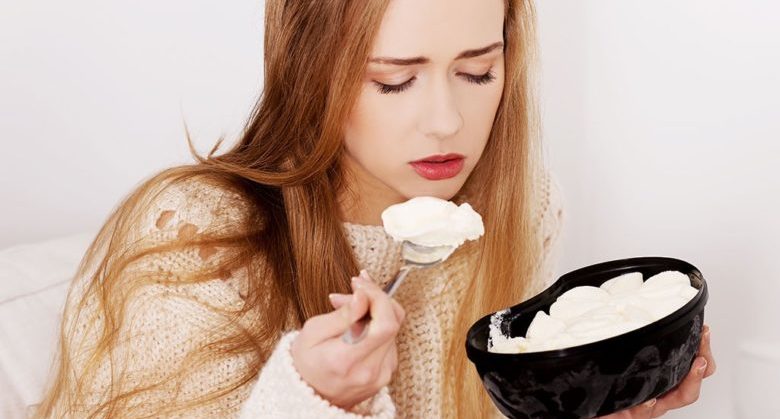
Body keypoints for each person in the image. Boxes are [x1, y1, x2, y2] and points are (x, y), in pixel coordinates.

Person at [33, 0, 715, 418]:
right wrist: (314, 402)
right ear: (312, 71)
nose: (447, 122)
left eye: (478, 71)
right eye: (394, 81)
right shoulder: (197, 236)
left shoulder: (524, 208)